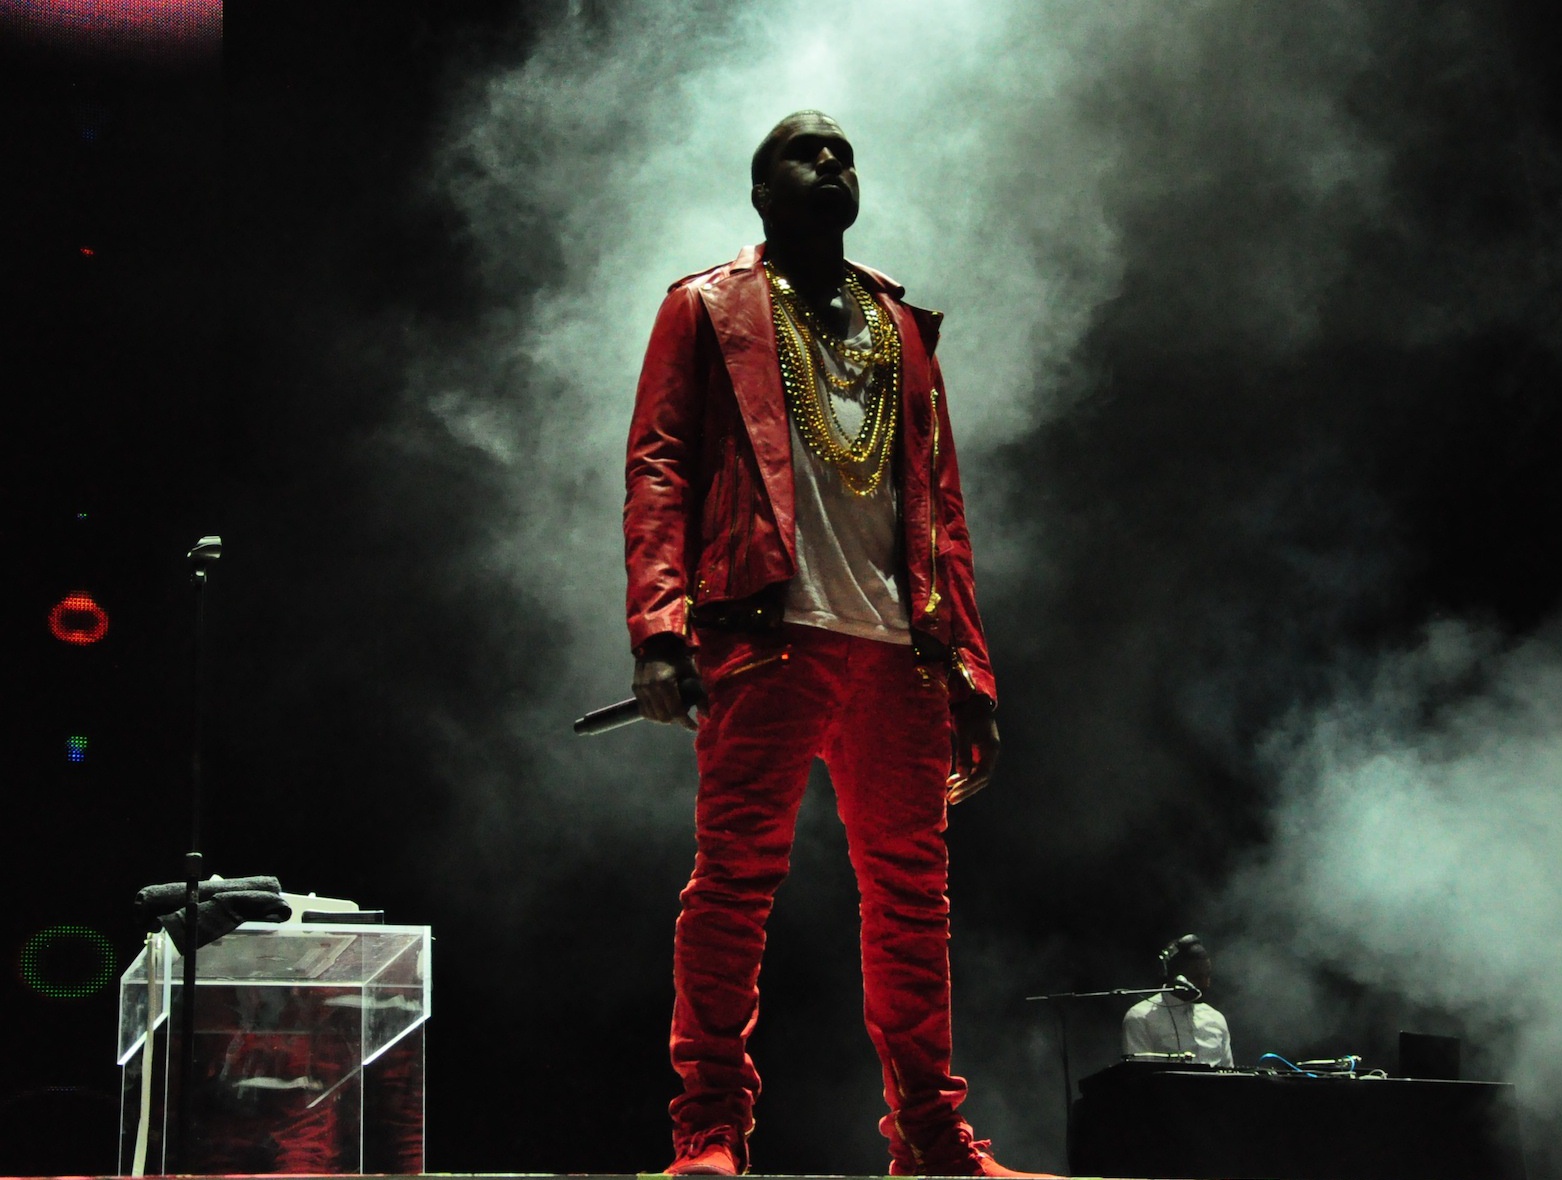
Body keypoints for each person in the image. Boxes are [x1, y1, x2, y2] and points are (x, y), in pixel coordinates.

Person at [623, 111, 1052, 1178]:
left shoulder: (899, 326)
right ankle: (709, 1131)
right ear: (759, 190)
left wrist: (969, 671)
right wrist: (659, 627)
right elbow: (661, 465)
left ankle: (928, 1137)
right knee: (732, 885)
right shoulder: (704, 307)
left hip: (898, 653)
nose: (831, 164)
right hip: (767, 636)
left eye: (844, 153)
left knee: (912, 902)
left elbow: (941, 510)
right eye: (804, 153)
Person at [1120, 934, 1234, 1068]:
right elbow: (1139, 1078)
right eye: (1197, 977)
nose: (1206, 984)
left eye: (1207, 975)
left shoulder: (1216, 1019)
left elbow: (1229, 1075)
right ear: (1175, 977)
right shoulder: (1140, 1018)